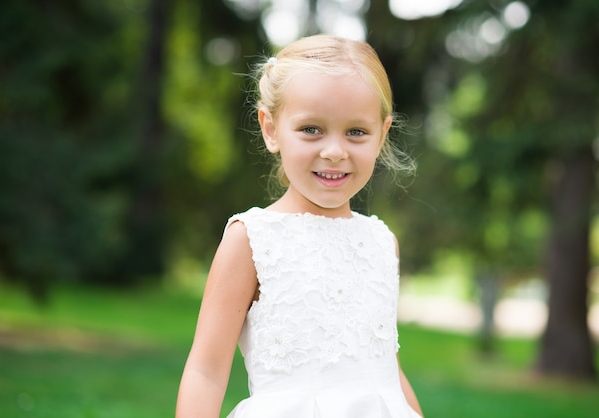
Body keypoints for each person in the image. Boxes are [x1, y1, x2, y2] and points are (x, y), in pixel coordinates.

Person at [176, 34, 424, 418]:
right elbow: (206, 371)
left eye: (356, 132)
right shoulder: (252, 239)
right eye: (311, 129)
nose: (334, 151)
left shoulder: (381, 241)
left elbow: (383, 367)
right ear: (271, 129)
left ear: (382, 135)